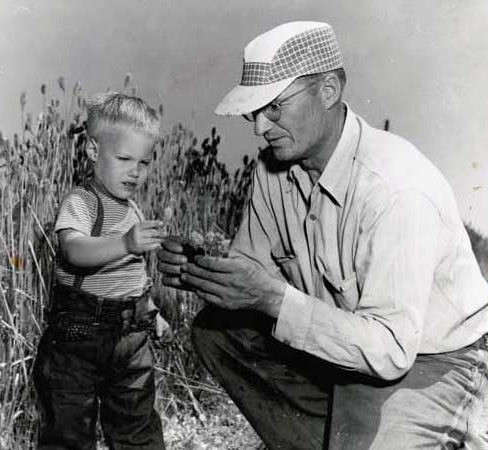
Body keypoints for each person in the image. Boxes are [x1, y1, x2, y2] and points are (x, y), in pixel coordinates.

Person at [158, 21, 488, 449]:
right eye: (252, 112)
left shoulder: (396, 188)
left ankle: (446, 430)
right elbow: (251, 271)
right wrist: (202, 268)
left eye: (274, 107)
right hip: (350, 346)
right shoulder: (273, 169)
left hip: (436, 358)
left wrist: (271, 298)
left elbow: (390, 350)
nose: (259, 127)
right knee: (217, 332)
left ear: (328, 91)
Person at [34, 92, 170, 450]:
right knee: (69, 429)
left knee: (137, 426)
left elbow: (134, 275)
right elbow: (73, 249)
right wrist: (125, 243)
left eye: (143, 162)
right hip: (80, 334)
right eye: (124, 158)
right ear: (93, 151)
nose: (134, 171)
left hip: (131, 335)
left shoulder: (133, 210)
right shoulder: (82, 201)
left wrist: (151, 312)